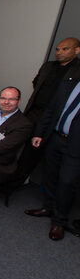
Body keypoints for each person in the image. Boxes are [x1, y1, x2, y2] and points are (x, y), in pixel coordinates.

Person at [18, 37, 80, 189]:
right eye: (57, 49)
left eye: (65, 49)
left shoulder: (78, 70)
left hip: (55, 120)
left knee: (39, 153)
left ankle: (21, 181)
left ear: (77, 50)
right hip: (34, 112)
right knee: (19, 144)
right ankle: (11, 179)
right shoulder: (48, 66)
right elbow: (36, 82)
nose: (59, 53)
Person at [28, 78, 80, 240]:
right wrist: (39, 133)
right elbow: (51, 110)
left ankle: (59, 221)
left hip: (76, 145)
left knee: (67, 181)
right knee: (50, 174)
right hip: (55, 138)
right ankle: (48, 207)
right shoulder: (67, 84)